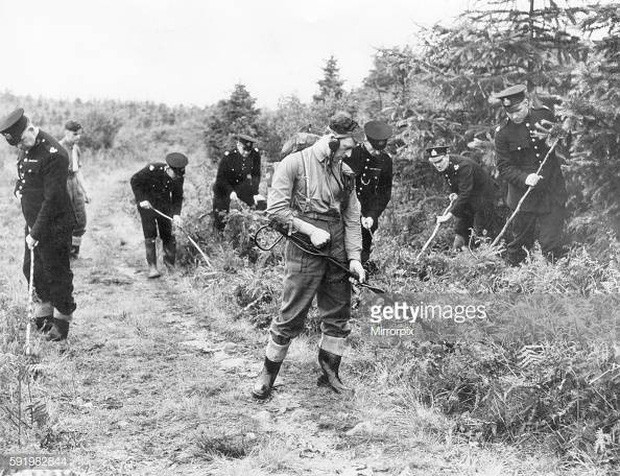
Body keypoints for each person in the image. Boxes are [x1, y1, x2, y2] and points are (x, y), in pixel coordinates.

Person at [252, 112, 365, 400]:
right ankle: (267, 376)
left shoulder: (345, 172)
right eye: (348, 147)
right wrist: (309, 230)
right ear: (331, 140)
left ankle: (330, 375)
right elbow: (276, 211)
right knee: (291, 314)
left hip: (337, 244)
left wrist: (354, 257)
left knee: (338, 315)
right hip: (304, 245)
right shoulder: (294, 164)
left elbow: (352, 217)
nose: (350, 154)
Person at [0, 108, 76, 341]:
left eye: (22, 140)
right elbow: (26, 175)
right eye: (17, 144)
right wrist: (18, 190)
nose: (21, 146)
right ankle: (44, 317)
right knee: (31, 268)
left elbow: (52, 200)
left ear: (31, 129)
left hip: (55, 225)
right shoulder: (28, 146)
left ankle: (62, 324)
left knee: (57, 272)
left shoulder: (56, 154)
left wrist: (35, 233)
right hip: (34, 223)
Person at [493, 84, 568, 265]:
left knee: (551, 243)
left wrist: (561, 135)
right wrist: (525, 178)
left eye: (518, 110)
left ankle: (554, 279)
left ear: (526, 103)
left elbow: (563, 136)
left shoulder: (544, 115)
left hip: (551, 192)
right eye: (509, 112)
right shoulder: (502, 133)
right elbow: (504, 167)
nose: (514, 116)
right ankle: (514, 284)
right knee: (519, 246)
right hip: (523, 197)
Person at [427, 145, 501, 249]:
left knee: (480, 232)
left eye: (440, 161)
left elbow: (465, 193)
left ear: (447, 156)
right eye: (434, 163)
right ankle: (460, 255)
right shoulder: (447, 164)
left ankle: (481, 258)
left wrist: (448, 216)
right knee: (461, 229)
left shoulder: (463, 166)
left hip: (484, 198)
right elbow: (455, 182)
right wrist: (454, 193)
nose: (438, 165)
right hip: (469, 199)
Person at [130, 152, 188, 278]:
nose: (176, 177)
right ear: (168, 168)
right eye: (175, 174)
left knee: (168, 235)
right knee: (150, 235)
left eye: (179, 175)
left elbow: (178, 197)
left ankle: (170, 267)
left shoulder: (178, 177)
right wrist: (141, 200)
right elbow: (134, 180)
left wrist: (176, 215)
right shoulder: (153, 169)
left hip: (164, 207)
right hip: (147, 206)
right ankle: (152, 267)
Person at [344, 120, 393, 265]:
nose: (376, 153)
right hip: (347, 212)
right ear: (366, 140)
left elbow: (384, 192)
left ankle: (361, 279)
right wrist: (354, 211)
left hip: (368, 216)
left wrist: (372, 215)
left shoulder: (385, 160)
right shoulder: (351, 154)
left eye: (379, 150)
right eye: (373, 149)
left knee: (364, 251)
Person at [212, 134, 262, 231]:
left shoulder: (255, 154)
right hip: (223, 188)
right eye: (244, 149)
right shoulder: (229, 156)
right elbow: (220, 179)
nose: (247, 153)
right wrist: (230, 191)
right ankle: (219, 235)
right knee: (221, 215)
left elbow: (256, 174)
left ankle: (256, 231)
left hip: (240, 185)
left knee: (259, 204)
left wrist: (255, 193)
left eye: (249, 150)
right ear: (238, 145)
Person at [59, 120, 90, 258]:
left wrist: (86, 191)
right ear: (66, 132)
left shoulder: (76, 148)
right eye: (75, 134)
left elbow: (78, 172)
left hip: (75, 184)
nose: (78, 137)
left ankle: (74, 251)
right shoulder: (58, 148)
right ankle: (63, 253)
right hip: (61, 184)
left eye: (79, 134)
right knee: (64, 219)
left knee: (80, 218)